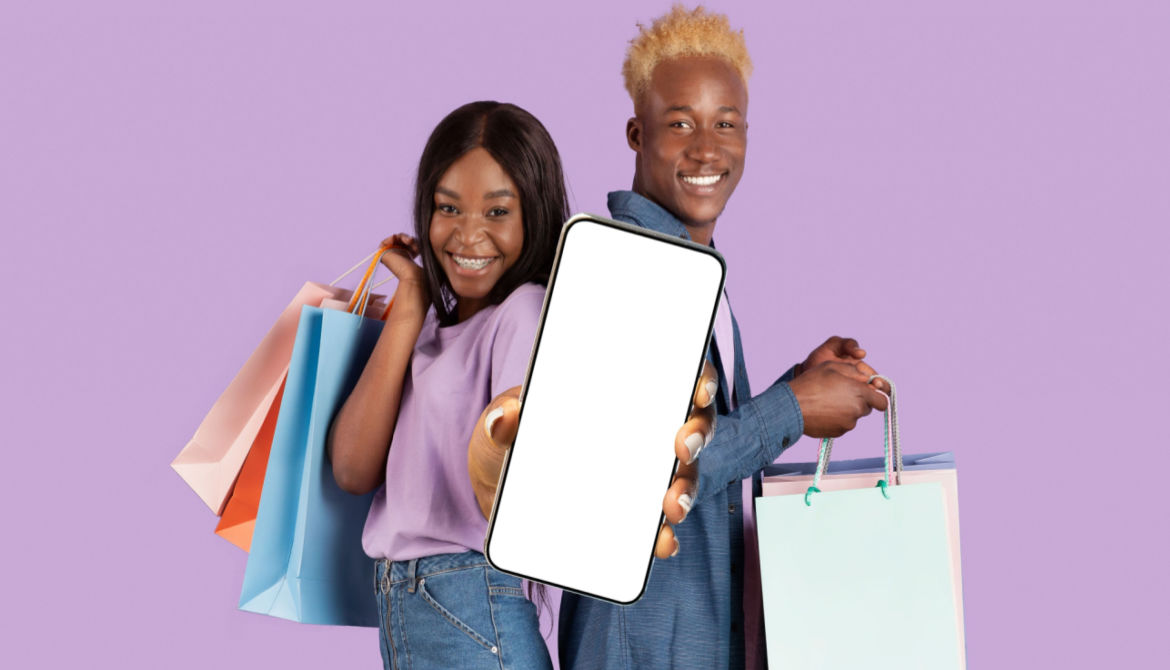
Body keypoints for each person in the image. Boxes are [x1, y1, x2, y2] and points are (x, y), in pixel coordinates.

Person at [469, 7, 890, 669]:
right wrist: (793, 410)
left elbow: (689, 431)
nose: (707, 149)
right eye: (680, 123)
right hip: (641, 646)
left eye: (726, 123)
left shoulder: (697, 271)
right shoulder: (624, 266)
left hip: (691, 634)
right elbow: (631, 471)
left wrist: (797, 385)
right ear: (637, 133)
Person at [328, 101, 712, 670]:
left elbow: (519, 474)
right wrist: (409, 309)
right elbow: (352, 469)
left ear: (533, 213)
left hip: (471, 607)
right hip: (419, 609)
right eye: (447, 208)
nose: (468, 234)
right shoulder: (432, 324)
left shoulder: (525, 313)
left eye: (497, 211)